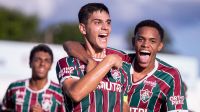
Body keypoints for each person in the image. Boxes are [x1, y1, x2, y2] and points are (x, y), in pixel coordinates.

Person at [63, 20, 188, 112]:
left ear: (160, 46)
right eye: (140, 39)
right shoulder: (121, 59)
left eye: (152, 41)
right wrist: (89, 60)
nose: (145, 44)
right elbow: (70, 44)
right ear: (134, 42)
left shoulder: (170, 75)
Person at [56, 3, 132, 112]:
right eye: (97, 22)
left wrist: (109, 60)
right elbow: (76, 93)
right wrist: (108, 61)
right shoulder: (68, 63)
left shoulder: (121, 65)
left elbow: (123, 105)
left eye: (108, 23)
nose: (105, 27)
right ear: (83, 28)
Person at [1, 44, 66, 112]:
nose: (42, 64)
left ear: (51, 65)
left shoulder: (59, 92)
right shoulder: (14, 88)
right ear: (30, 62)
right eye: (37, 60)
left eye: (46, 61)